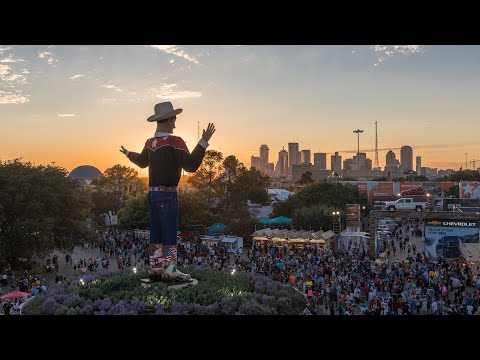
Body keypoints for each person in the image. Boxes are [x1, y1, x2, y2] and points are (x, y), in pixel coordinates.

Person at [120, 101, 215, 282]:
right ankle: (170, 270)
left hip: (152, 195)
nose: (175, 124)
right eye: (174, 120)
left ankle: (155, 269)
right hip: (168, 195)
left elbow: (141, 161)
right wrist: (203, 142)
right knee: (169, 231)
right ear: (169, 119)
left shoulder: (150, 143)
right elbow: (191, 165)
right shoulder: (175, 141)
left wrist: (127, 154)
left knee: (155, 232)